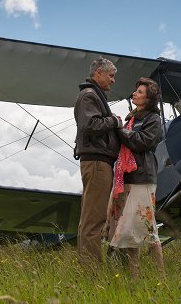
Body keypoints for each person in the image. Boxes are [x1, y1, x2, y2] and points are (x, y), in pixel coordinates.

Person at [105, 77, 164, 277]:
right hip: (127, 178)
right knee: (130, 229)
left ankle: (160, 275)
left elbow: (142, 142)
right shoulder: (132, 119)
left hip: (142, 178)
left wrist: (119, 130)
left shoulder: (153, 119)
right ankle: (134, 275)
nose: (134, 94)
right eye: (136, 91)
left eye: (139, 92)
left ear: (148, 98)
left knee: (147, 226)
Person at [74, 57, 122, 268]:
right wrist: (115, 120)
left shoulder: (93, 95)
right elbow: (90, 124)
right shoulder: (89, 95)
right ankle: (91, 271)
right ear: (99, 73)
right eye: (111, 76)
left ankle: (89, 267)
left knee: (91, 219)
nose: (113, 80)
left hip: (97, 162)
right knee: (94, 221)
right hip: (96, 163)